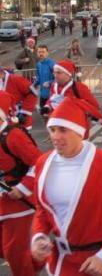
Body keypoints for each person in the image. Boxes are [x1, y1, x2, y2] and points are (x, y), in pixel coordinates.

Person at [30, 97, 102, 276]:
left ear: (79, 132)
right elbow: (43, 208)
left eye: (63, 129)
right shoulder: (43, 163)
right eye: (52, 129)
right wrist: (39, 235)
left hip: (96, 264)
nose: (55, 136)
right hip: (59, 263)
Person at [0, 91, 42, 276]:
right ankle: (42, 257)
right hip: (3, 202)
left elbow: (39, 163)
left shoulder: (13, 136)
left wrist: (22, 187)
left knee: (14, 253)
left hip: (18, 203)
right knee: (6, 248)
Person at [0, 66, 37, 131]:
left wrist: (25, 112)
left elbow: (32, 93)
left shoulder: (16, 79)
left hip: (20, 115)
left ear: (1, 73)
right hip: (5, 120)